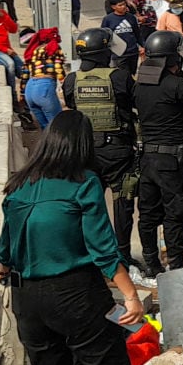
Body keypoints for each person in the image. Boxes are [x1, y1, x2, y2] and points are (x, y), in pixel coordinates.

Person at [0, 110, 161, 365]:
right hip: (76, 296)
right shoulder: (83, 185)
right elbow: (104, 250)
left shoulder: (18, 187)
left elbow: (2, 254)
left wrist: (2, 268)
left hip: (28, 300)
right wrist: (131, 296)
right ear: (83, 145)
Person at [63, 28, 140, 268]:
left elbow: (71, 106)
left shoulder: (71, 79)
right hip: (118, 150)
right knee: (123, 202)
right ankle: (122, 256)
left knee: (87, 205)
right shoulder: (120, 76)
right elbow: (134, 103)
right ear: (103, 53)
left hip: (85, 152)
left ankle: (91, 255)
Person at [133, 31, 183, 276]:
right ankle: (176, 262)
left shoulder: (139, 85)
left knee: (149, 213)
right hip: (172, 159)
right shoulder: (177, 86)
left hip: (146, 158)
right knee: (177, 209)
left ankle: (152, 264)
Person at [21, 28, 67, 129]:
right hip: (43, 89)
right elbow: (58, 68)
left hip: (30, 90)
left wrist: (22, 93)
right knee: (57, 126)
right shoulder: (53, 47)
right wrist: (64, 83)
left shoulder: (33, 51)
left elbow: (24, 73)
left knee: (45, 128)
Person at [101, 0, 142, 76]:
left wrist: (142, 46)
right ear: (113, 7)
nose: (123, 7)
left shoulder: (131, 18)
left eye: (124, 4)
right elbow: (104, 35)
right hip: (119, 54)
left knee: (132, 75)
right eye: (120, 5)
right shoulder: (108, 19)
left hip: (133, 52)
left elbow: (137, 33)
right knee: (122, 75)